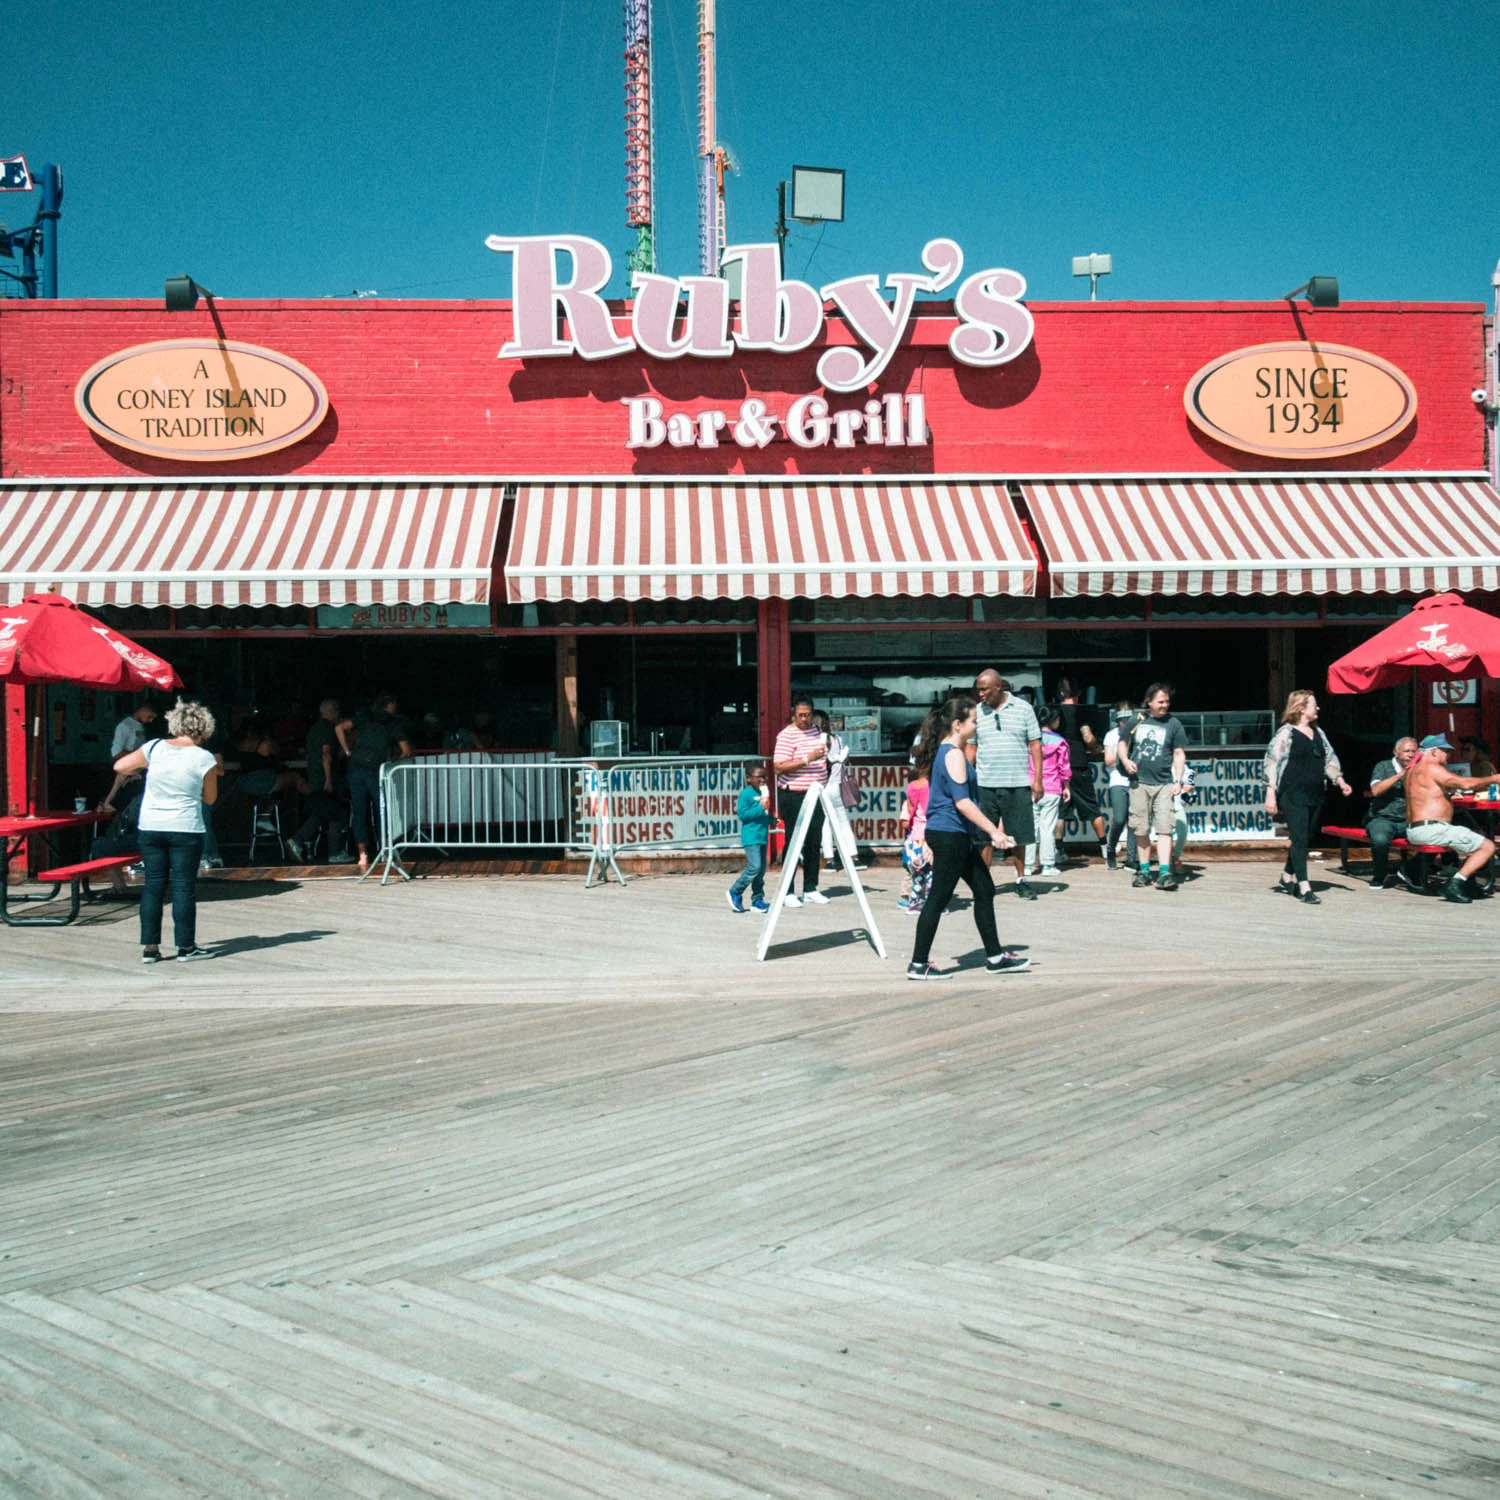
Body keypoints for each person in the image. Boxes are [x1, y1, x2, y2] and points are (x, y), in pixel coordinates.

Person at [907, 697, 1030, 980]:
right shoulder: (952, 755)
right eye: (973, 720)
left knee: (984, 890)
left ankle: (995, 957)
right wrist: (994, 831)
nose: (977, 724)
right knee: (938, 897)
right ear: (957, 724)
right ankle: (917, 963)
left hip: (956, 835)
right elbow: (962, 803)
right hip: (950, 834)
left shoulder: (952, 752)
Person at [113, 699, 219, 962]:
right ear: (204, 728)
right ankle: (186, 947)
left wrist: (151, 766)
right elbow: (210, 798)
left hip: (151, 825)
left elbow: (120, 766)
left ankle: (150, 948)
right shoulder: (204, 757)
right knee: (183, 887)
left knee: (153, 886)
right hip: (185, 827)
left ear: (174, 724)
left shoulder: (154, 747)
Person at [1262, 689, 1352, 905]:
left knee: (1307, 837)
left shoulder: (1318, 732)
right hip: (1292, 793)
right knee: (1299, 838)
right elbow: (1272, 762)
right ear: (1301, 708)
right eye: (1314, 704)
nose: (1318, 708)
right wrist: (1270, 793)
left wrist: (1339, 781)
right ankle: (1304, 886)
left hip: (1315, 793)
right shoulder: (1287, 733)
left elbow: (1329, 758)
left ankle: (1286, 876)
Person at [1403, 732, 1500, 903]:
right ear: (1433, 752)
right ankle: (1455, 884)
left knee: (1470, 835)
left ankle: (1468, 883)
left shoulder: (1412, 770)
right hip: (1432, 829)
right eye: (1445, 751)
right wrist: (1494, 778)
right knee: (1487, 846)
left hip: (1418, 829)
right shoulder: (1431, 768)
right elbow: (1465, 784)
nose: (1449, 755)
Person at [973, 668, 1042, 900]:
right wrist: (966, 778)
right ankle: (984, 883)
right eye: (979, 690)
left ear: (998, 687)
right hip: (985, 783)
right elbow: (971, 748)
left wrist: (1038, 779)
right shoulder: (977, 713)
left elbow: (1035, 745)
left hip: (1017, 781)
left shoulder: (1023, 709)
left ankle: (1021, 879)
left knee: (1019, 835)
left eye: (984, 689)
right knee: (984, 837)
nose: (980, 694)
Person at [1120, 682, 1189, 892]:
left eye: (1167, 701)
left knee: (1165, 828)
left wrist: (1178, 781)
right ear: (1148, 702)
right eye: (1160, 701)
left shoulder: (1174, 724)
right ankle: (1144, 870)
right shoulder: (1137, 720)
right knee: (1141, 828)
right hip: (1139, 782)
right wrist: (1124, 760)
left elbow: (1178, 753)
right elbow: (1123, 742)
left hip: (1163, 784)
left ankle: (1165, 872)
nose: (1164, 705)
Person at [346, 691, 413, 873]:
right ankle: (384, 849)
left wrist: (347, 751)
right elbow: (406, 750)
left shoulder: (364, 718)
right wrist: (393, 763)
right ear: (389, 706)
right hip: (376, 770)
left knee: (359, 811)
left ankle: (362, 854)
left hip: (355, 768)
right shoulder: (393, 723)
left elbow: (339, 728)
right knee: (382, 811)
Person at [771, 697, 830, 907]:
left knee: (814, 841)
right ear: (794, 715)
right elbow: (778, 766)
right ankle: (787, 890)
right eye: (801, 715)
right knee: (794, 841)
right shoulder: (786, 735)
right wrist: (807, 759)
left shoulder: (817, 731)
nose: (805, 719)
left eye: (808, 714)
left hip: (816, 792)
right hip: (794, 793)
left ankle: (810, 888)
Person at [287, 698, 354, 864]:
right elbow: (326, 754)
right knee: (337, 813)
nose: (339, 714)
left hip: (316, 777)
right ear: (331, 712)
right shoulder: (327, 729)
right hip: (326, 778)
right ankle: (333, 852)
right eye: (337, 710)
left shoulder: (314, 729)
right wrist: (329, 779)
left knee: (323, 813)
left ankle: (298, 840)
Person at [1055, 677, 1107, 862]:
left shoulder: (1055, 712)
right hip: (1078, 763)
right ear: (1079, 694)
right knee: (1092, 808)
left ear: (1061, 692)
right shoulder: (1082, 713)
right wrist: (1096, 746)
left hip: (1058, 766)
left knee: (1060, 811)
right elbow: (1088, 738)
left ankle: (1059, 851)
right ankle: (1105, 849)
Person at [1024, 705, 1071, 878]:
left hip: (1030, 787)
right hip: (1051, 788)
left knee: (1031, 828)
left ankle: (1027, 865)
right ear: (1053, 721)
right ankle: (1048, 865)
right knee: (1047, 828)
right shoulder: (1060, 742)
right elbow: (1064, 767)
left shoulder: (1028, 740)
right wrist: (1066, 787)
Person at [1366, 736, 1417, 889]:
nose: (1410, 755)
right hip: (1383, 818)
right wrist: (1401, 775)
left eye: (1414, 751)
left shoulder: (1420, 768)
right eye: (1406, 751)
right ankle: (1380, 875)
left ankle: (1408, 869)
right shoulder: (1383, 766)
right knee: (1380, 840)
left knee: (1434, 835)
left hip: (1409, 819)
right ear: (1396, 752)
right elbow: (1375, 790)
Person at [726, 764, 772, 914]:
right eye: (758, 777)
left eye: (764, 776)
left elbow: (764, 815)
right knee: (755, 866)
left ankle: (757, 899)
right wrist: (760, 807)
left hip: (762, 836)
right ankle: (735, 891)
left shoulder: (764, 792)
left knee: (761, 871)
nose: (762, 779)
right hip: (751, 837)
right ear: (748, 778)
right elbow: (743, 815)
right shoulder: (746, 794)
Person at [99, 702, 159, 812]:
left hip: (137, 770)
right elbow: (116, 752)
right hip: (126, 771)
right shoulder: (124, 726)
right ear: (143, 710)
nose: (150, 720)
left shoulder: (141, 727)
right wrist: (137, 758)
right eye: (150, 716)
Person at [1102, 702, 1140, 871]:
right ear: (1118, 720)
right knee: (1119, 819)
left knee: (1134, 820)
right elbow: (1108, 761)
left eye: (1129, 719)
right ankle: (1111, 848)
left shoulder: (1139, 734)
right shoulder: (1111, 735)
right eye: (1123, 720)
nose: (1126, 723)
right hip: (1118, 780)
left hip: (1136, 780)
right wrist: (1122, 749)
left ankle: (1131, 858)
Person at [898, 757, 932, 914]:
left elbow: (907, 820)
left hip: (914, 839)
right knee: (931, 873)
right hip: (927, 839)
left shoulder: (912, 792)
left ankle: (914, 902)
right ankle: (931, 903)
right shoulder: (932, 789)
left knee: (917, 874)